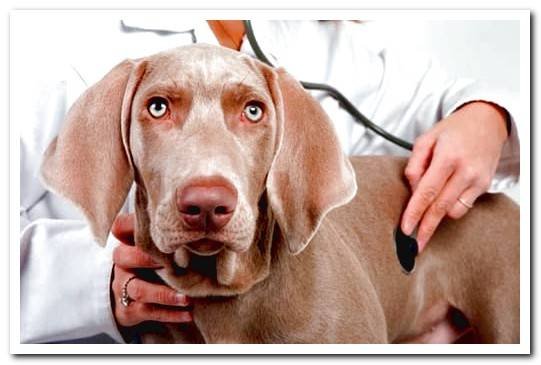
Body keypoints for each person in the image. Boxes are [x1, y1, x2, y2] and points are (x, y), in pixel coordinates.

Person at [19, 18, 519, 344]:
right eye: (158, 108)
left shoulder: (315, 30)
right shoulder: (57, 40)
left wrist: (488, 116)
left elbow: (440, 102)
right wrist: (88, 282)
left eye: (253, 111)